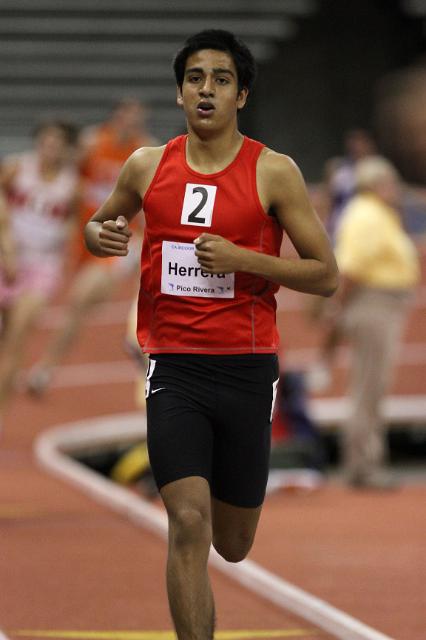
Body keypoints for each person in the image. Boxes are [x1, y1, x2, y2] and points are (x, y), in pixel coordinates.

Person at [84, 29, 338, 640]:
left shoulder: (274, 172)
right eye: (195, 78)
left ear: (241, 95)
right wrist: (102, 236)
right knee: (188, 522)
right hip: (173, 365)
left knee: (234, 542)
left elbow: (325, 274)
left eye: (221, 79)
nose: (207, 89)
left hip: (247, 368)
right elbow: (100, 224)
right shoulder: (147, 165)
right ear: (179, 94)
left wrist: (244, 259)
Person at [27, 99, 156, 395]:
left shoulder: (146, 152)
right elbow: (66, 176)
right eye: (126, 117)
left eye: (137, 120)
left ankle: (46, 368)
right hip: (85, 235)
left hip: (116, 240)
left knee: (80, 298)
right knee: (78, 308)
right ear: (115, 118)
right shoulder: (93, 143)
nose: (130, 125)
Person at [329, 156, 419, 489]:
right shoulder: (365, 215)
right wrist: (338, 310)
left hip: (382, 303)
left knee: (373, 385)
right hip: (373, 303)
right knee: (368, 386)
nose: (394, 189)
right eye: (390, 183)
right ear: (377, 184)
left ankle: (366, 461)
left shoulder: (376, 214)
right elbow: (350, 269)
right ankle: (362, 464)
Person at [0, 120, 79, 423]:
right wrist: (6, 245)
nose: (51, 148)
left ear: (66, 149)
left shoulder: (71, 184)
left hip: (43, 265)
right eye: (46, 141)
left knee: (16, 339)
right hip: (8, 258)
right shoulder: (18, 167)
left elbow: (72, 222)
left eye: (58, 143)